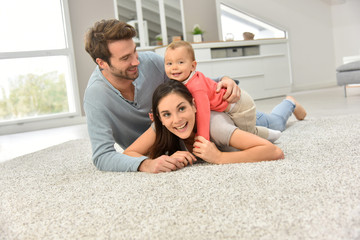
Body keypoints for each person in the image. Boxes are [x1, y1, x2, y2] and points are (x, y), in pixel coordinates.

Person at [83, 19, 240, 173]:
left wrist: (224, 79)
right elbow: (102, 156)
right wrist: (146, 164)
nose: (136, 61)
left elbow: (193, 81)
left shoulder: (150, 62)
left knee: (249, 123)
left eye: (134, 51)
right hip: (157, 145)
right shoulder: (96, 96)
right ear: (102, 63)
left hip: (187, 131)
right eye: (125, 58)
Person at [124, 80, 285, 173]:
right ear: (159, 118)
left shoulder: (216, 127)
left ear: (194, 105)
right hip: (229, 122)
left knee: (277, 122)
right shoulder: (163, 126)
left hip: (244, 119)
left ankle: (290, 102)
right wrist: (155, 162)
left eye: (181, 108)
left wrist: (220, 158)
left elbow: (274, 151)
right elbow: (127, 154)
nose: (177, 120)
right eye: (167, 114)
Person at [164, 40, 282, 142]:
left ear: (193, 66)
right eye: (169, 63)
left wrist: (203, 139)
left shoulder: (196, 87)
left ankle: (273, 135)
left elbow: (203, 114)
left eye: (180, 62)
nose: (174, 67)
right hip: (229, 105)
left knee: (247, 135)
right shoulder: (184, 80)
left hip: (240, 106)